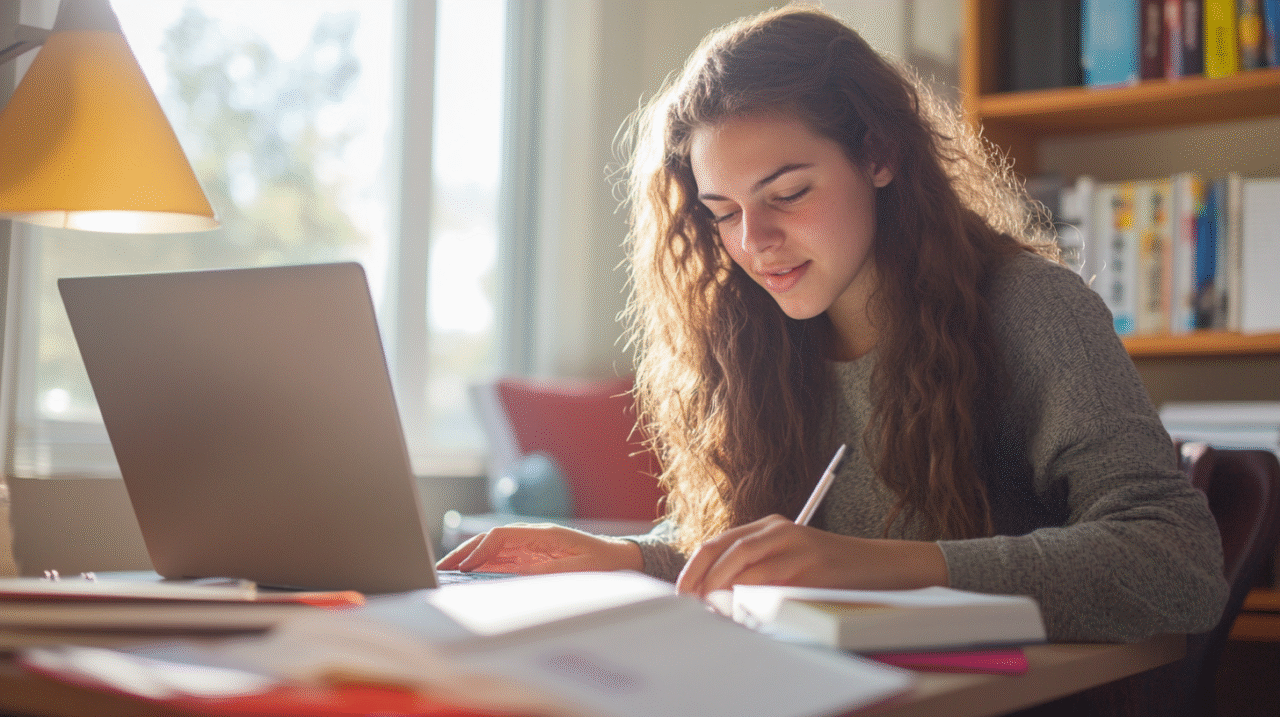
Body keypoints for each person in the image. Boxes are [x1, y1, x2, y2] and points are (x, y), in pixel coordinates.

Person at [438, 6, 1228, 643]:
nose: (754, 241)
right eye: (723, 212)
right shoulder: (757, 334)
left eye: (787, 194)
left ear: (879, 155)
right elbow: (771, 556)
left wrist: (879, 564)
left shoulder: (1033, 309)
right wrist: (625, 556)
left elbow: (1179, 563)